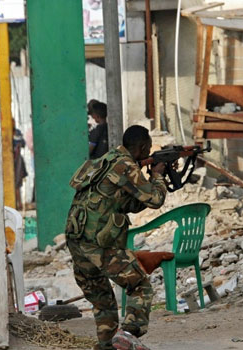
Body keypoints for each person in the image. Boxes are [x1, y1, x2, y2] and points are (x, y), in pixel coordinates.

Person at [64, 125, 167, 350]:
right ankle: (128, 334)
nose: (149, 153)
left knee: (103, 302)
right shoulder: (126, 166)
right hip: (99, 244)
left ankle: (108, 346)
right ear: (141, 147)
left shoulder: (103, 162)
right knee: (139, 284)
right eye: (148, 149)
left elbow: (128, 203)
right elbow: (155, 199)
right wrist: (158, 176)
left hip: (76, 241)